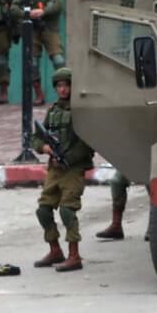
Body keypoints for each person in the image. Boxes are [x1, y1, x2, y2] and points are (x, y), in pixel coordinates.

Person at [31, 67, 95, 273]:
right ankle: (55, 249)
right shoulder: (54, 110)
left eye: (66, 85)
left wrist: (68, 158)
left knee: (67, 210)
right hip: (55, 169)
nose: (63, 89)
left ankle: (74, 255)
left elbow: (88, 142)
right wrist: (45, 148)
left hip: (73, 169)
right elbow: (36, 138)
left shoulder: (81, 110)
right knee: (43, 210)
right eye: (59, 86)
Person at [25, 0, 65, 106]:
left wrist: (42, 12)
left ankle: (63, 94)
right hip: (32, 30)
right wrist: (28, 13)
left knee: (59, 61)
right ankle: (39, 95)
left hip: (50, 29)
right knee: (33, 64)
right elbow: (15, 7)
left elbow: (58, 5)